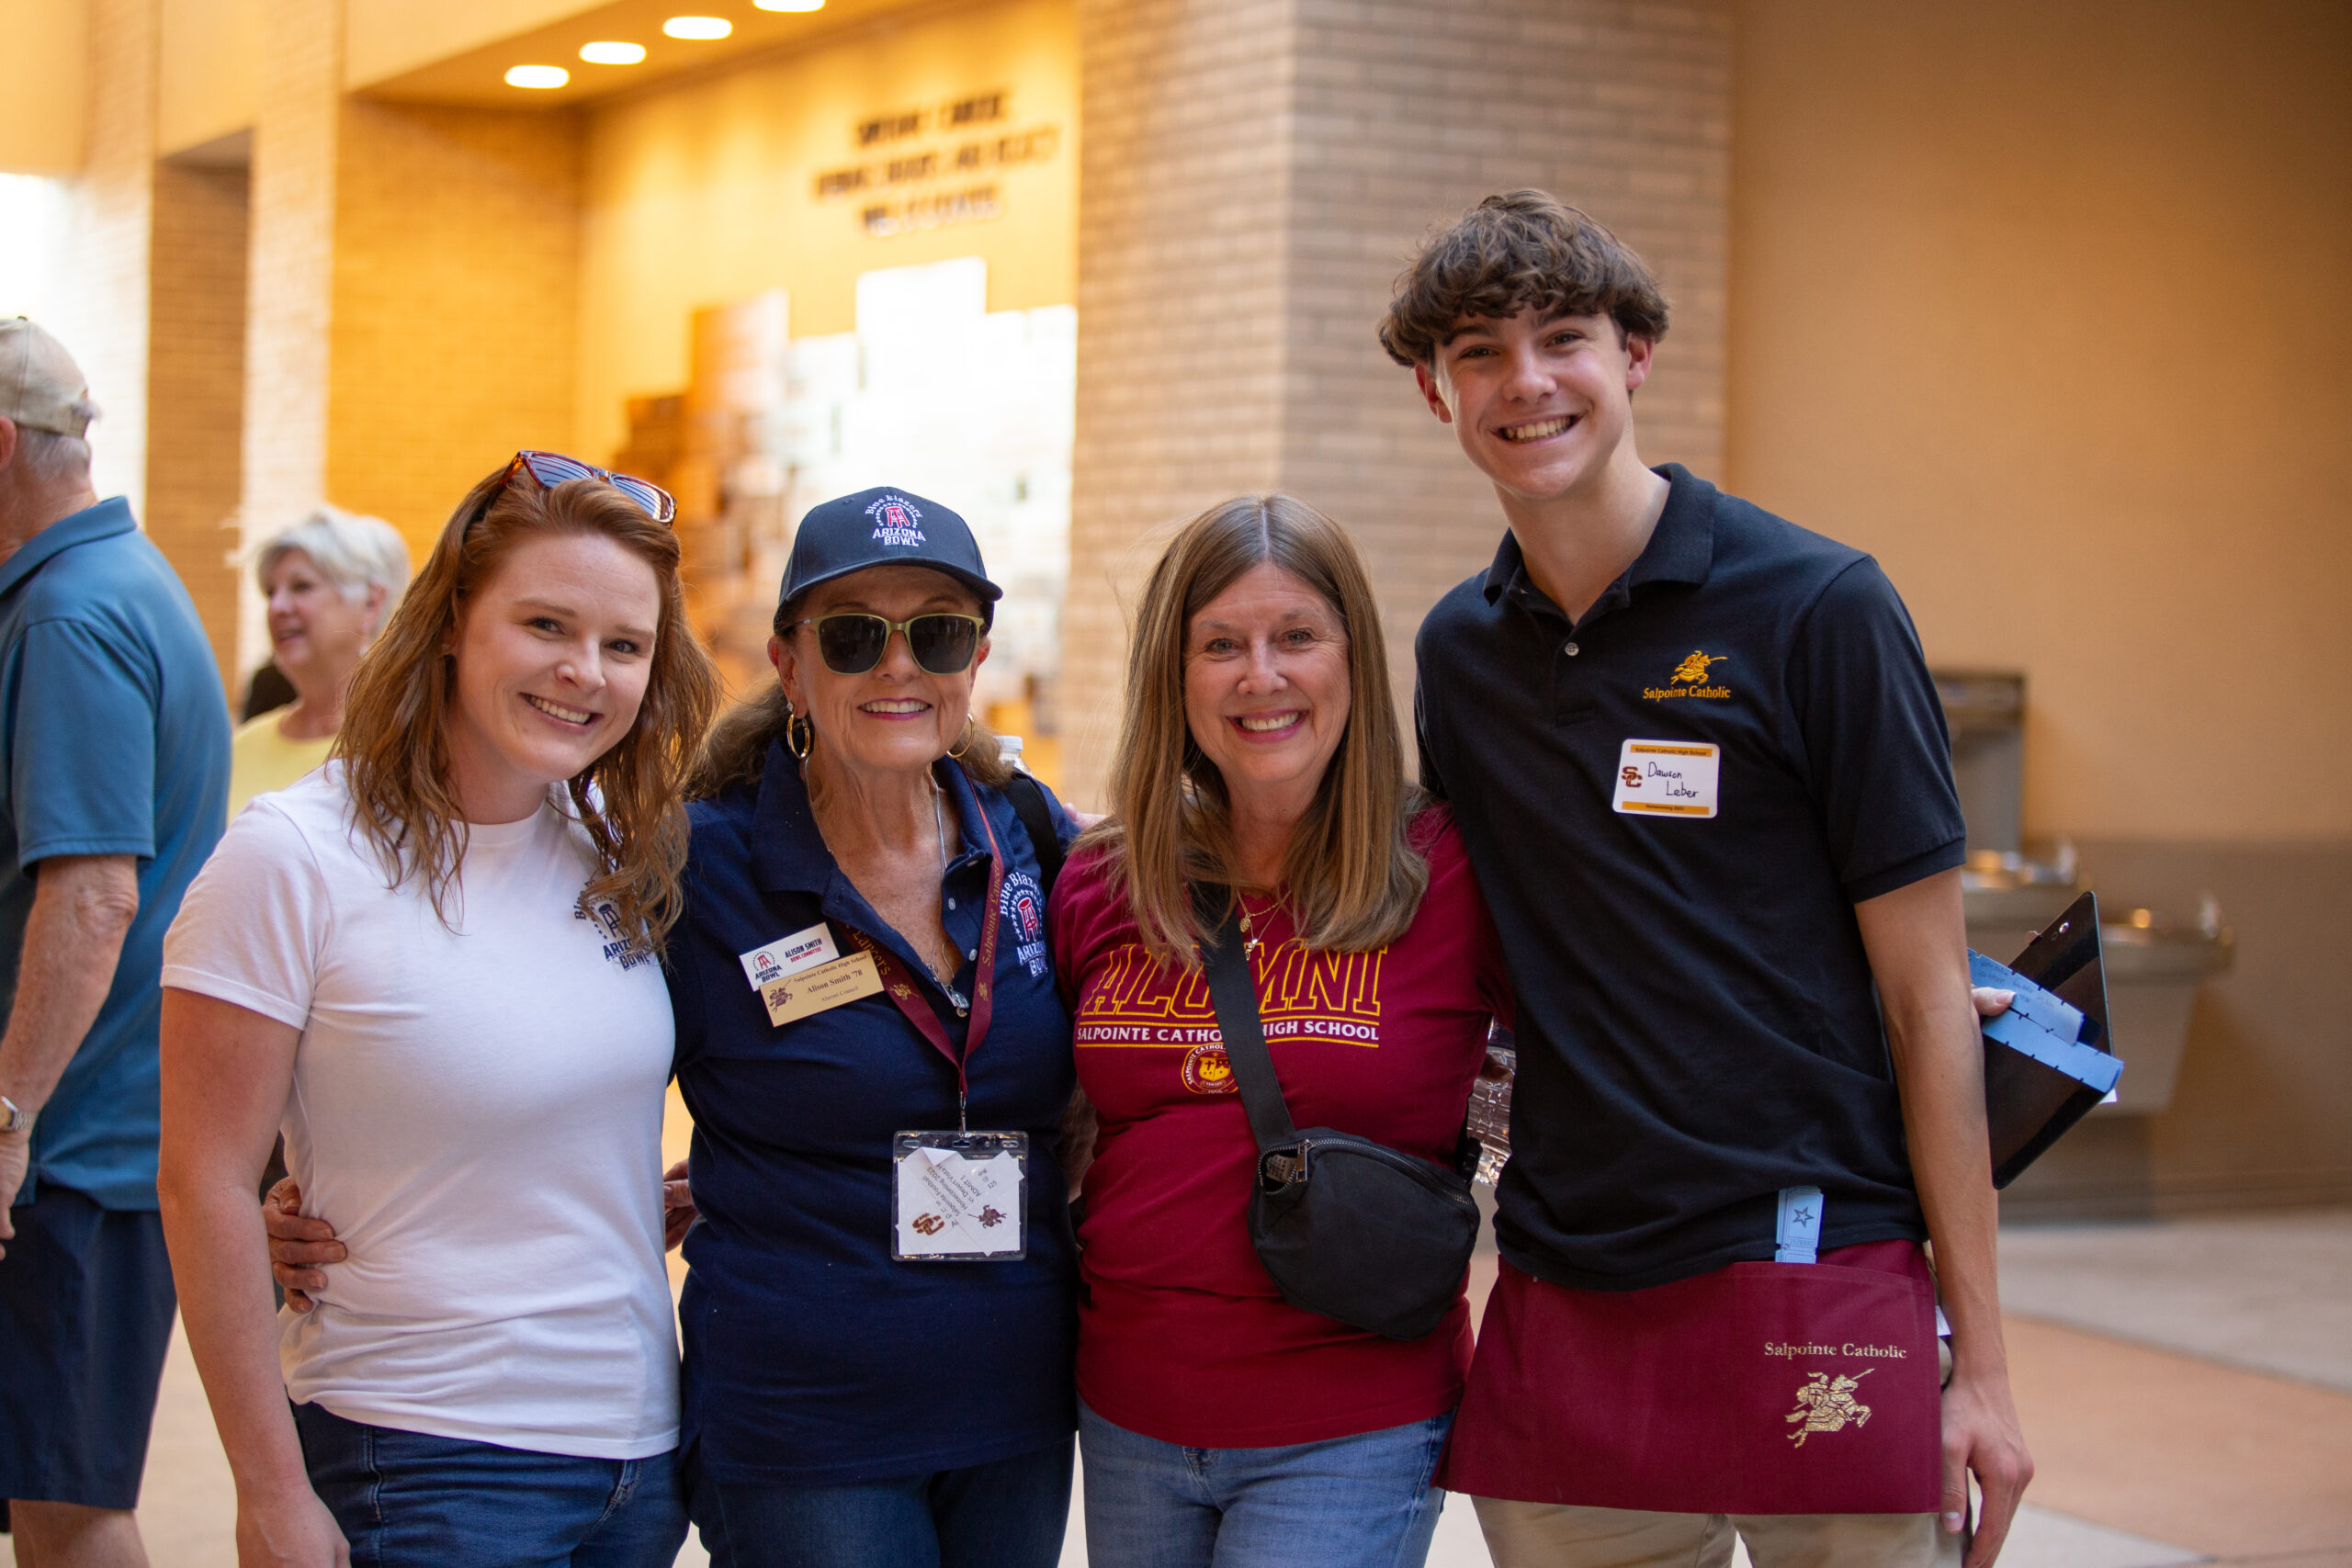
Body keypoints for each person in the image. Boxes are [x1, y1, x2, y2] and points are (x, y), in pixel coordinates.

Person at [1387, 191, 2032, 1567]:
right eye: (1481, 351)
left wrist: (1981, 1368)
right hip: (1568, 1282)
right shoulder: (1460, 654)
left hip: (1818, 1260)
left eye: (1564, 335)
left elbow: (1929, 1006)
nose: (1526, 380)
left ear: (1636, 356)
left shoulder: (1819, 607)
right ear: (1436, 392)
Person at [156, 451, 718, 1567]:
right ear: (454, 619)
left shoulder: (618, 843)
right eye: (546, 625)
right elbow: (202, 1179)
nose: (585, 674)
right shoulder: (295, 856)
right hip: (417, 1454)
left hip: (638, 1455)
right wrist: (267, 1491)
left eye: (624, 645)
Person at [1048, 494, 1512, 1568]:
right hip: (1128, 1411)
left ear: (1352, 657)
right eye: (1221, 645)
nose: (1262, 675)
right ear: (1174, 676)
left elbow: (1632, 1015)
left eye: (1297, 636)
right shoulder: (1103, 882)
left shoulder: (1450, 873)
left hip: (1350, 1417)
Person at [659, 486, 1082, 1566]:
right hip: (803, 1422)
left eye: (935, 632)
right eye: (854, 636)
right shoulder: (700, 869)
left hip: (1016, 1401)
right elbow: (541, 1056)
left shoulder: (1037, 840)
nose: (899, 666)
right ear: (791, 664)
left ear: (974, 659)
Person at [0, 317, 231, 1568]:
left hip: (69, 1151)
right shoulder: (107, 580)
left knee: (67, 1502)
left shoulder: (68, 616)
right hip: (80, 1135)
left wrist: (6, 1116)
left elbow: (92, 898)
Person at [229, 507, 411, 818]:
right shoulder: (241, 748)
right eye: (271, 592)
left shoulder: (408, 741)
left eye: (302, 586)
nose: (277, 607)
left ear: (371, 602)